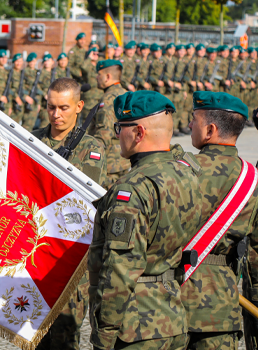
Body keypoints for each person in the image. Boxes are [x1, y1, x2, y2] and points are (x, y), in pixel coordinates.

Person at [88, 91, 203, 350]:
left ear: (139, 133)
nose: (117, 135)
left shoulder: (132, 189)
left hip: (135, 326)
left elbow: (120, 269)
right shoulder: (187, 173)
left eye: (121, 127)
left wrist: (104, 334)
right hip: (172, 318)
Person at [180, 91, 257, 350]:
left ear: (210, 129)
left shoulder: (176, 170)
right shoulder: (252, 180)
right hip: (221, 306)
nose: (190, 125)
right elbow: (256, 256)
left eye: (194, 119)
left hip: (169, 300)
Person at [33, 77, 106, 350]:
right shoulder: (34, 140)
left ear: (79, 106)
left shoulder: (92, 148)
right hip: (35, 255)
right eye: (51, 107)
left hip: (70, 256)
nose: (56, 114)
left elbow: (83, 202)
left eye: (64, 107)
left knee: (64, 338)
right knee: (31, 336)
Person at [90, 59, 129, 189]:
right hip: (124, 159)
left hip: (109, 164)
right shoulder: (126, 94)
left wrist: (91, 159)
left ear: (107, 77)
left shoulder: (108, 99)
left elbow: (104, 133)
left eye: (99, 74)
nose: (96, 77)